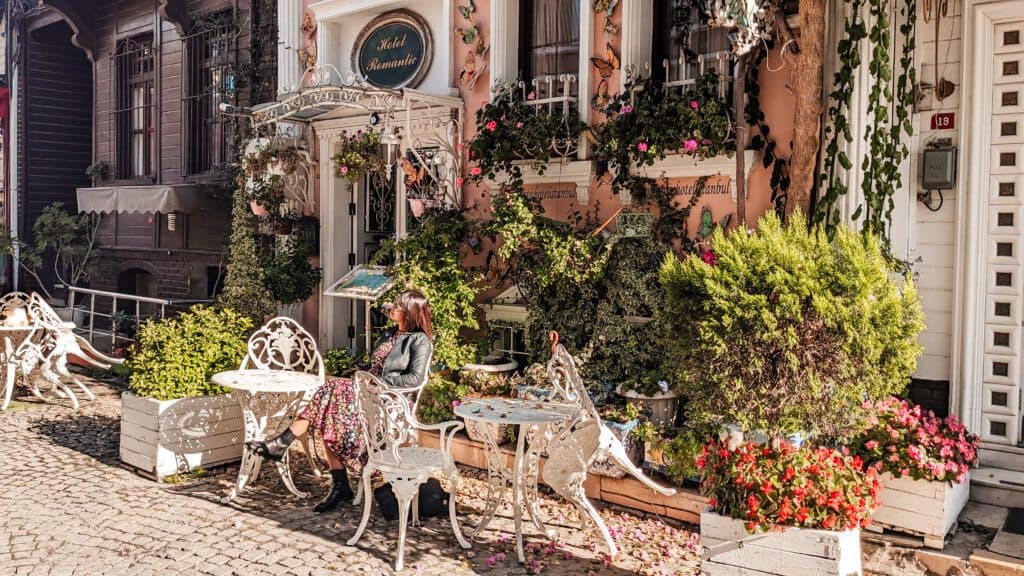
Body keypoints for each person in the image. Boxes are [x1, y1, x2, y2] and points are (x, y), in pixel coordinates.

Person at [246, 289, 434, 513]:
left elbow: (416, 378)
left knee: (329, 392)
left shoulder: (420, 340)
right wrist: (363, 377)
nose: (392, 308)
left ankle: (286, 445)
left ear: (411, 312)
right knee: (328, 408)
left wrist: (377, 381)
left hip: (390, 401)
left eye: (398, 306)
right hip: (367, 392)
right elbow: (373, 365)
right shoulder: (389, 335)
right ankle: (338, 484)